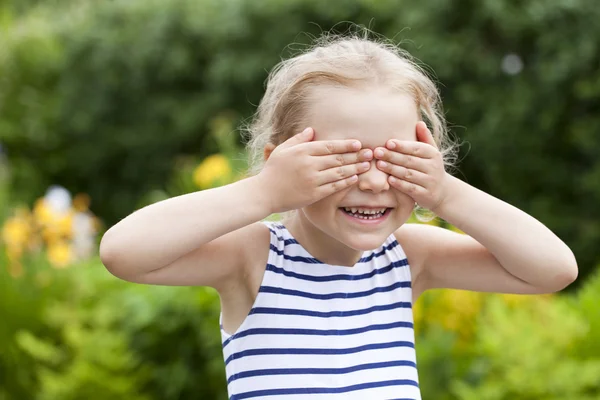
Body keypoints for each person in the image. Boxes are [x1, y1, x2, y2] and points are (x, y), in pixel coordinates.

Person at [99, 33, 578, 400]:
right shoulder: (253, 259)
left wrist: (445, 192)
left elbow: (552, 269)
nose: (372, 182)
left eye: (396, 162)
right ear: (283, 162)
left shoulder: (408, 258)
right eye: (343, 162)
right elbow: (124, 253)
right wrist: (266, 190)